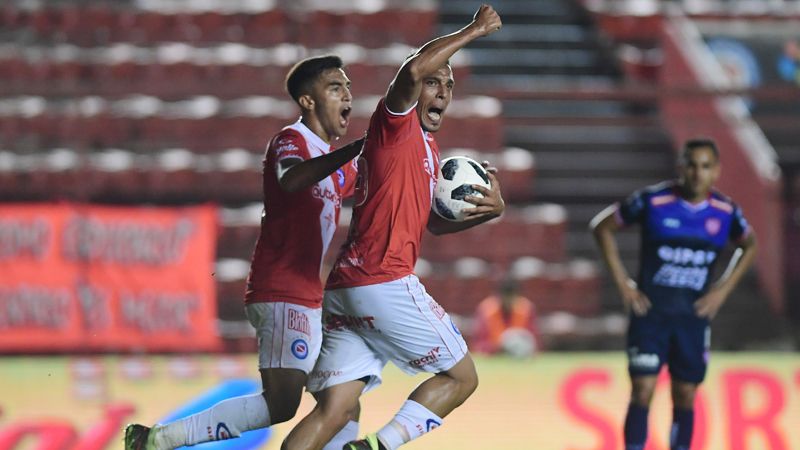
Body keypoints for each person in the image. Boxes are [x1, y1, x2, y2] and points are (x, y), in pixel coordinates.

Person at [280, 5, 504, 450]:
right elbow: (412, 69)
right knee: (462, 377)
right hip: (384, 281)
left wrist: (487, 212)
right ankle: (376, 447)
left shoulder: (428, 149)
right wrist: (475, 30)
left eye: (449, 86)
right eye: (434, 83)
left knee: (334, 409)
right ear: (416, 91)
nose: (441, 92)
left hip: (346, 288)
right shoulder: (394, 122)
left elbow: (433, 228)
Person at [124, 55, 366, 450]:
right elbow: (291, 179)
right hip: (281, 291)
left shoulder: (330, 164)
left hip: (307, 296)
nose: (347, 95)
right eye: (336, 87)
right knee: (283, 403)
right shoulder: (291, 140)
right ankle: (160, 439)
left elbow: (369, 178)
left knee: (342, 399)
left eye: (348, 87)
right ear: (308, 100)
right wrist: (354, 149)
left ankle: (157, 440)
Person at [590, 138, 757, 450]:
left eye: (705, 166)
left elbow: (749, 245)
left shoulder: (726, 212)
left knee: (686, 394)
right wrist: (623, 282)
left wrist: (721, 291)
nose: (697, 173)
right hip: (650, 314)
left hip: (692, 319)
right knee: (642, 389)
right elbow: (602, 227)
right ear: (681, 167)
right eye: (691, 165)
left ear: (716, 171)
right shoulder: (652, 201)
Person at [472, 277, 540, 357]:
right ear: (500, 296)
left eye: (512, 297)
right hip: (494, 357)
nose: (509, 301)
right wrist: (497, 347)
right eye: (507, 297)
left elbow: (534, 340)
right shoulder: (486, 309)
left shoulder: (527, 309)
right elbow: (479, 343)